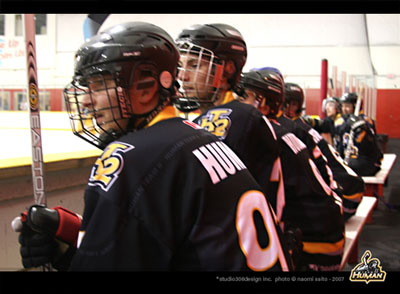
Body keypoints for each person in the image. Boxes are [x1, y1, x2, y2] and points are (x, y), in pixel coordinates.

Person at [15, 22, 291, 271]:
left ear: (146, 87)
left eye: (98, 85)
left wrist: (65, 256)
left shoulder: (130, 157)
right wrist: (73, 232)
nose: (86, 101)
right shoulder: (198, 136)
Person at [175, 24, 296, 267]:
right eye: (181, 66)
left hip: (242, 252)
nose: (182, 76)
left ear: (227, 69)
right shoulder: (236, 115)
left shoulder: (234, 117)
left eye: (195, 65)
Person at [238, 68, 345, 271]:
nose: (238, 101)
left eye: (244, 96)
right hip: (329, 223)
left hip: (316, 245)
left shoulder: (271, 135)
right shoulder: (286, 128)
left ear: (261, 101)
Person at [284, 83, 364, 220]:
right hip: (351, 187)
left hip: (345, 197)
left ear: (293, 106)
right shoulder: (300, 126)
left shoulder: (294, 130)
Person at [339, 92, 383, 176]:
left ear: (355, 107)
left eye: (347, 106)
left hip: (365, 161)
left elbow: (370, 139)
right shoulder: (342, 122)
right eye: (343, 106)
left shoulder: (366, 120)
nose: (344, 109)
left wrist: (361, 127)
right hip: (349, 160)